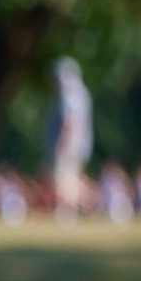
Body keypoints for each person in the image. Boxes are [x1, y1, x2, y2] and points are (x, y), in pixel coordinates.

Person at [48, 57, 93, 223]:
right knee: (72, 179)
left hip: (68, 145)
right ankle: (83, 205)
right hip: (78, 145)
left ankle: (69, 212)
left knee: (66, 180)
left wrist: (61, 142)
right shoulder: (83, 92)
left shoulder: (70, 92)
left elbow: (69, 120)